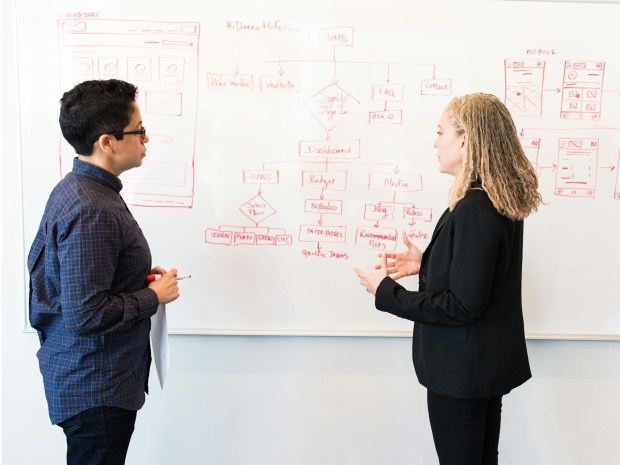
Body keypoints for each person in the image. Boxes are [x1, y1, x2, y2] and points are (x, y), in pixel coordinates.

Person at [354, 93, 542, 465]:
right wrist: (427, 262)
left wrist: (387, 292)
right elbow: (483, 276)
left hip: (462, 376)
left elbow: (462, 305)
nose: (435, 141)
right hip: (481, 370)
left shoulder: (475, 206)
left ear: (465, 140)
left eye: (441, 132)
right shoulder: (496, 200)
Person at [28, 79, 181, 465]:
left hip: (91, 380)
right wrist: (153, 297)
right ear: (107, 143)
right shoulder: (91, 208)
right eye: (139, 131)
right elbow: (86, 313)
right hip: (96, 387)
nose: (146, 139)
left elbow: (83, 288)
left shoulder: (83, 191)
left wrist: (138, 281)